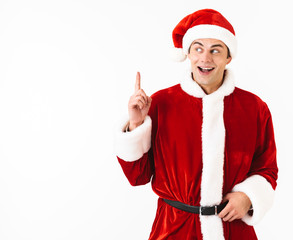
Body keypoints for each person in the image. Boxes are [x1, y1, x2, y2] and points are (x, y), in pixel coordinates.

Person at [114, 9, 278, 240]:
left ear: (228, 57)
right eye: (198, 49)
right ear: (188, 54)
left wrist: (248, 197)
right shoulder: (161, 104)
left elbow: (267, 168)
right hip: (173, 230)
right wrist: (136, 124)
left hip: (233, 230)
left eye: (215, 50)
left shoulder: (254, 108)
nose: (205, 58)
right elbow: (137, 177)